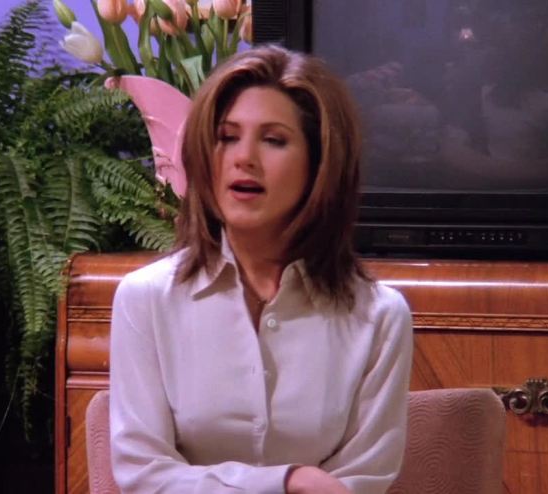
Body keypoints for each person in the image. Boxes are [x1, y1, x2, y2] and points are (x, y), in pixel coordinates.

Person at [109, 45, 414, 494]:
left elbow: (361, 481)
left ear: (320, 164)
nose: (243, 158)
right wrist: (289, 481)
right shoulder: (146, 298)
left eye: (273, 140)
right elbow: (144, 473)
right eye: (227, 136)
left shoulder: (379, 316)